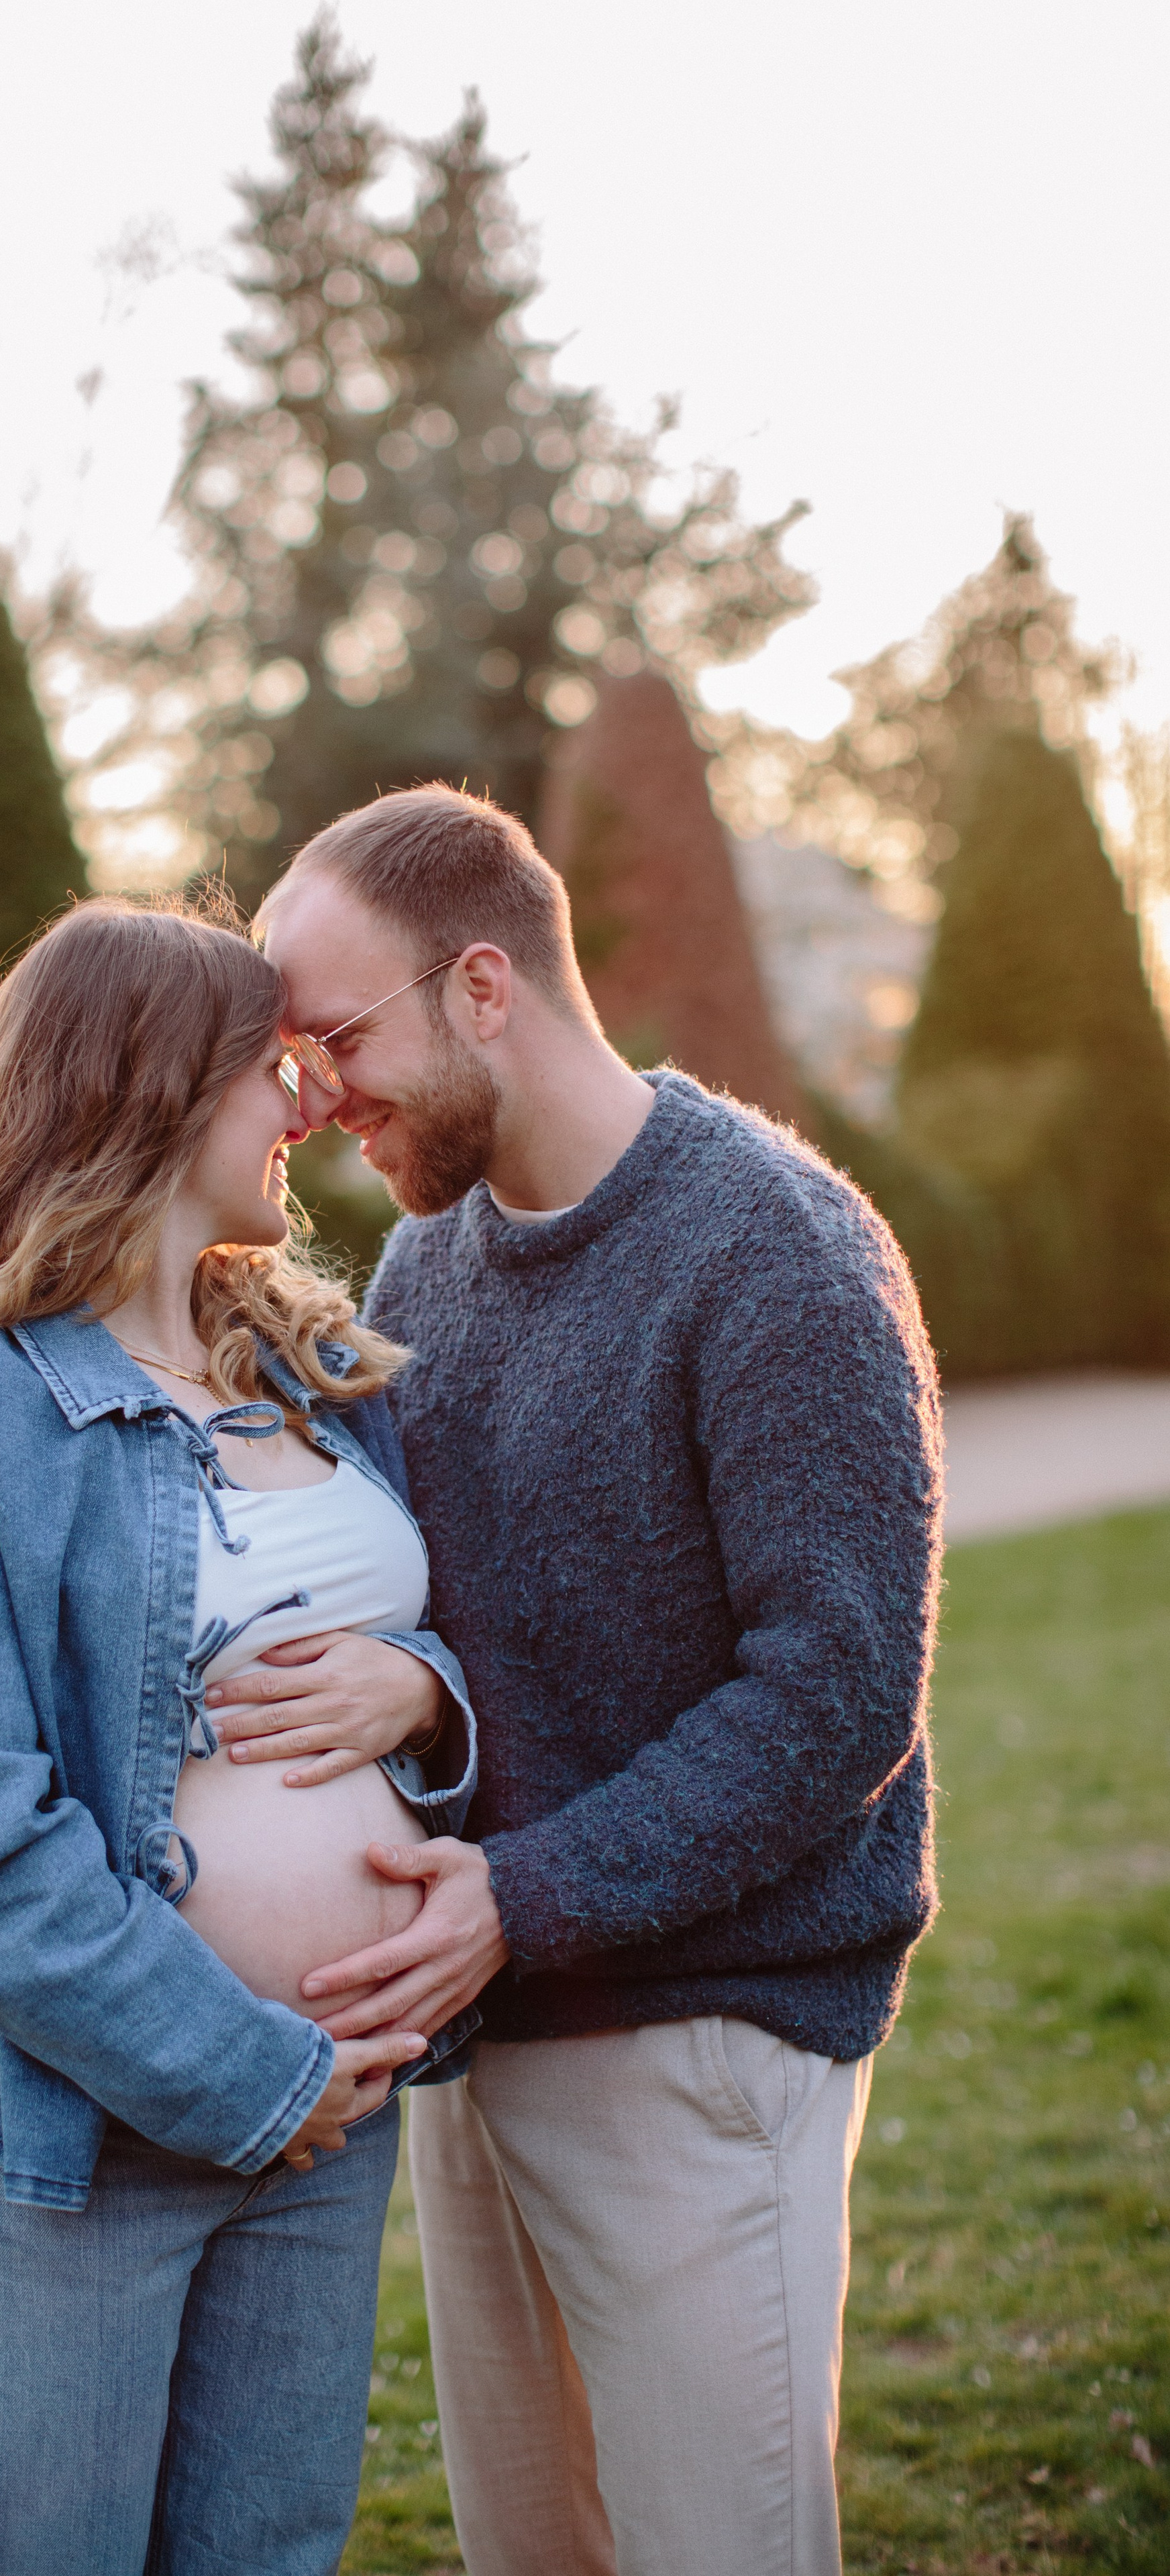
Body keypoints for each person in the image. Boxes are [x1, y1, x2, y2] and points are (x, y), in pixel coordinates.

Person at [215, 784, 942, 2576]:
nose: (311, 1098)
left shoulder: (777, 1251)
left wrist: (519, 1897)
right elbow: (455, 1615)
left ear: (483, 989)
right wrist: (407, 1688)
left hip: (703, 2047)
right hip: (487, 2039)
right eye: (285, 1060)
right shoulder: (423, 1266)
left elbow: (836, 1696)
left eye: (335, 1038)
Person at [0, 896, 478, 2576]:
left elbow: (395, 1651)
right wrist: (247, 2076)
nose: (309, 1101)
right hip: (84, 2144)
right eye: (274, 1062)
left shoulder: (312, 1372)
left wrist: (425, 1690)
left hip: (333, 2122)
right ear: (155, 1083)